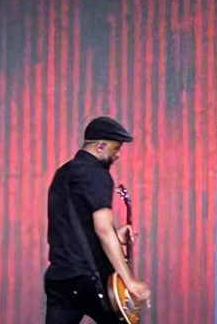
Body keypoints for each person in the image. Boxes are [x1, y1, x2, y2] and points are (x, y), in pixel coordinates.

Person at [44, 116, 151, 324]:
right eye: (115, 148)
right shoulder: (96, 174)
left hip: (60, 277)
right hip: (88, 278)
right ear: (100, 146)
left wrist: (115, 233)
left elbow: (73, 223)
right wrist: (129, 281)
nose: (117, 155)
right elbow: (102, 229)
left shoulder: (63, 173)